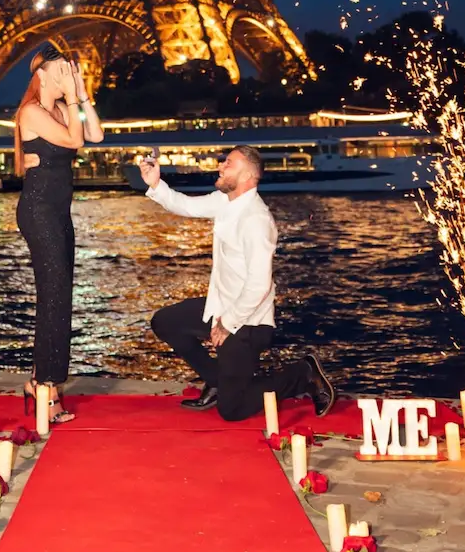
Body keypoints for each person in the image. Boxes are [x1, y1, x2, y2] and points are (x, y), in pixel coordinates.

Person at [140, 146, 336, 422]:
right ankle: (216, 380)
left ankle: (302, 374)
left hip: (248, 322)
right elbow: (187, 206)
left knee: (233, 410)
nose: (220, 166)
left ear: (247, 176)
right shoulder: (226, 201)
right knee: (165, 322)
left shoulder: (256, 220)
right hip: (220, 307)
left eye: (228, 164)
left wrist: (227, 323)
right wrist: (155, 184)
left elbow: (259, 285)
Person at [15, 43, 104, 424]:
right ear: (42, 74)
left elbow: (95, 135)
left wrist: (81, 96)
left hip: (59, 210)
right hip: (38, 211)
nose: (68, 73)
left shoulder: (63, 110)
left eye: (70, 69)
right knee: (53, 295)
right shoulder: (31, 112)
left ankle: (40, 380)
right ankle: (46, 387)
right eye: (62, 70)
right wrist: (71, 97)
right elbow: (75, 141)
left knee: (60, 295)